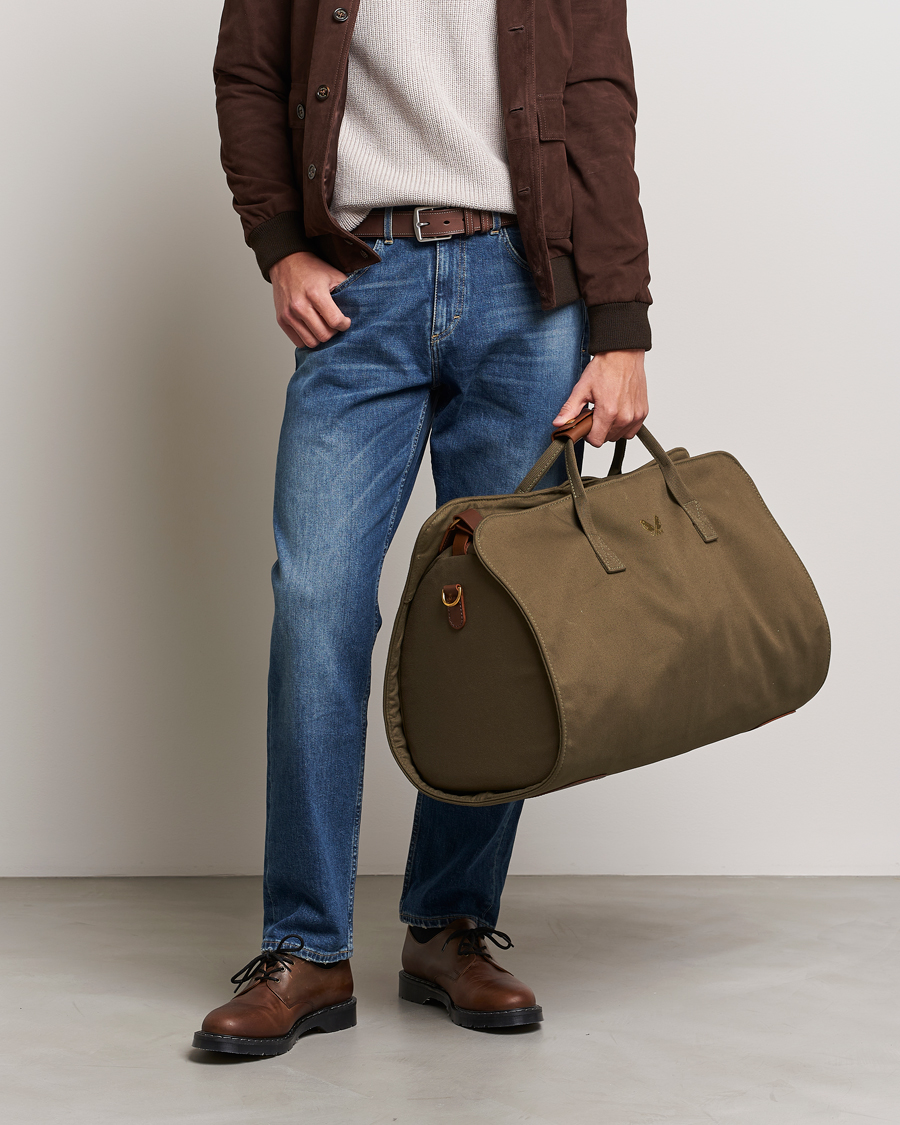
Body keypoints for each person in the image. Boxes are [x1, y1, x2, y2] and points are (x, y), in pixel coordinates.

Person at [193, 0, 651, 1056]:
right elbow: (248, 72)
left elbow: (598, 104)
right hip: (360, 284)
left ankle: (449, 925)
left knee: (496, 625)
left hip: (528, 293)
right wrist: (279, 245)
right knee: (317, 603)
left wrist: (621, 326)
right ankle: (306, 949)